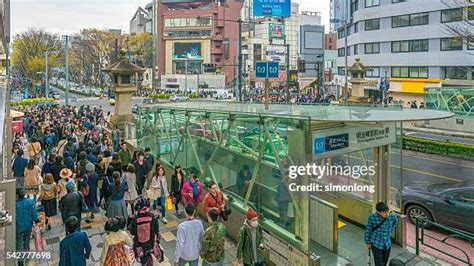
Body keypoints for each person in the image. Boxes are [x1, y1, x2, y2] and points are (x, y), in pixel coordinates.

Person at [128, 196, 160, 266]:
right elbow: (156, 230)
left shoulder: (135, 219)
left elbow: (132, 232)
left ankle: (144, 263)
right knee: (149, 255)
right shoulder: (152, 216)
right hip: (150, 242)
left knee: (142, 257)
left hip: (139, 244)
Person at [364, 202, 398, 266]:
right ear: (379, 212)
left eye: (387, 211)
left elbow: (396, 221)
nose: (387, 214)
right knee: (379, 264)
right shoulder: (372, 217)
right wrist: (368, 242)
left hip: (387, 244)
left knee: (385, 262)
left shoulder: (391, 216)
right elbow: (368, 230)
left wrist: (390, 230)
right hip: (376, 244)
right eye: (384, 212)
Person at [16, 187, 40, 266]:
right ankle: (26, 254)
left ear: (17, 195)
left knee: (19, 242)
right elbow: (34, 212)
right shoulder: (30, 202)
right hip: (28, 225)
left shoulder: (15, 204)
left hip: (18, 226)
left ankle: (20, 260)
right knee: (27, 240)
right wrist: (36, 220)